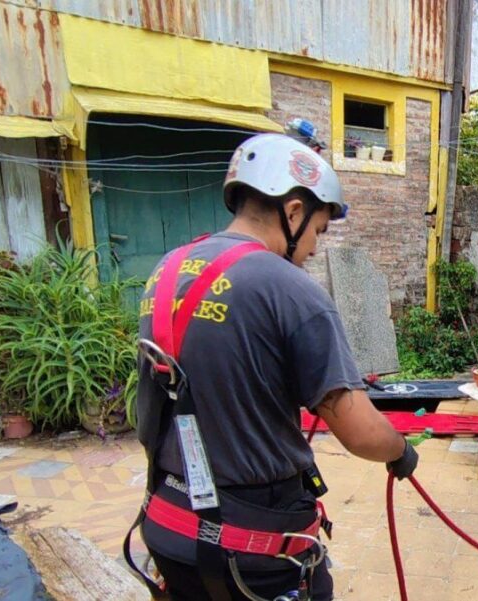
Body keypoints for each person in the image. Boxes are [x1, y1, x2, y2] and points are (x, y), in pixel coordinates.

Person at [125, 133, 418, 601]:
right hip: (254, 554)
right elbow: (360, 432)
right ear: (295, 211)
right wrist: (400, 450)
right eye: (319, 232)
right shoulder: (291, 290)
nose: (316, 251)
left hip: (169, 525)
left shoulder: (168, 269)